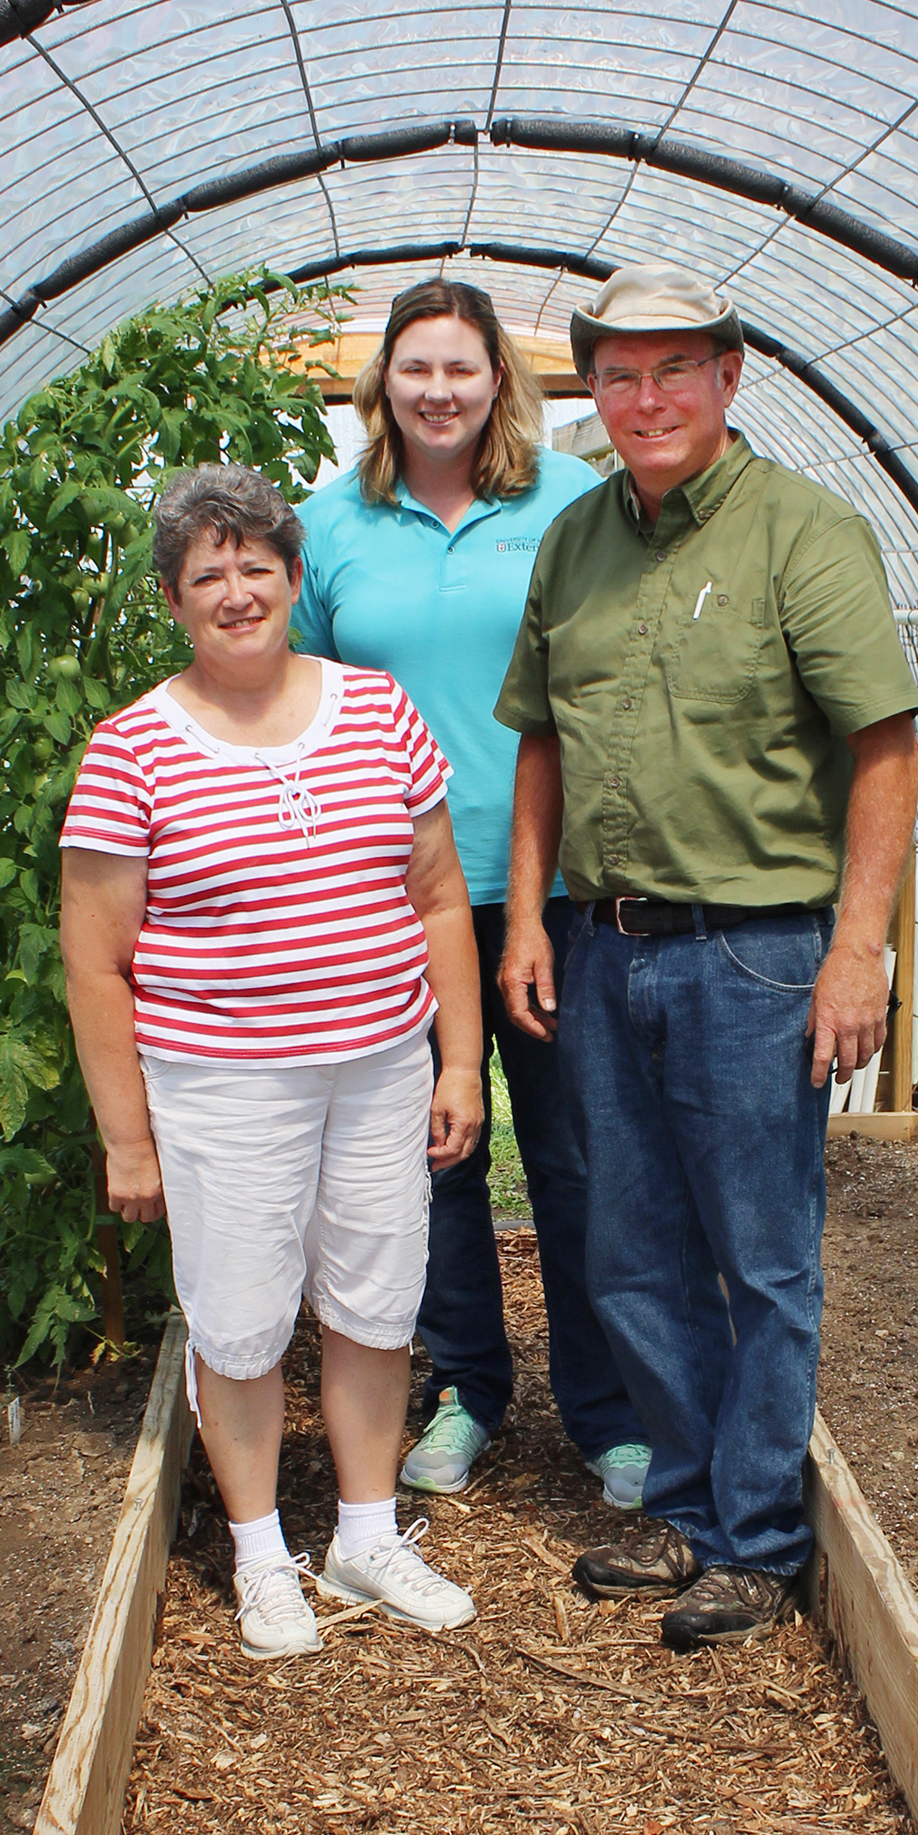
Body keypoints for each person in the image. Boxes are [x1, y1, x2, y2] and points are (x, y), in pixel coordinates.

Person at [496, 264, 918, 1651]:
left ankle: (755, 1537)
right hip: (607, 946)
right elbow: (541, 744)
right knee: (630, 1248)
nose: (644, 399)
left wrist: (857, 948)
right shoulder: (575, 544)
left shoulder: (803, 535)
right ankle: (679, 1504)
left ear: (729, 378)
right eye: (617, 376)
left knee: (758, 1252)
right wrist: (523, 919)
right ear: (592, 394)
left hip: (754, 956)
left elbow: (884, 748)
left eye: (673, 369)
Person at [60, 463, 487, 1661]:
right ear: (173, 601)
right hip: (225, 1082)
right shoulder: (132, 749)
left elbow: (440, 896)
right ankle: (260, 1556)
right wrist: (128, 1137)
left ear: (295, 579)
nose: (237, 591)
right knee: (239, 1322)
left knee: (374, 1304)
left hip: (378, 1067)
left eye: (258, 565)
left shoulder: (377, 710)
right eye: (209, 574)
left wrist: (459, 1063)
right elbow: (96, 963)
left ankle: (365, 1534)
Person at [294, 278, 649, 1511]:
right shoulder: (330, 524)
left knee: (576, 1155)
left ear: (501, 379)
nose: (437, 389)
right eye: (415, 368)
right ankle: (468, 1393)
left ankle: (606, 1411)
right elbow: (293, 700)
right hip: (387, 899)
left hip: (553, 893)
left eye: (461, 366)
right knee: (431, 1158)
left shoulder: (567, 503)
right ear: (379, 384)